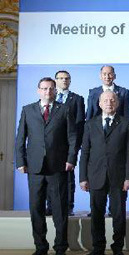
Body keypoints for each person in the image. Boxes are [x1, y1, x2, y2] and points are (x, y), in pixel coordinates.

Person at [15, 77, 77, 255]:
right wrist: (20, 161)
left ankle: (60, 246)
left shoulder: (64, 110)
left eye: (51, 89)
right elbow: (20, 138)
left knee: (59, 208)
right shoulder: (28, 110)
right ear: (38, 90)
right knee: (36, 208)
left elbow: (72, 138)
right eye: (44, 88)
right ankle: (40, 246)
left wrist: (71, 159)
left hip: (58, 166)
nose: (47, 92)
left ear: (55, 90)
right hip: (34, 167)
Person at [79, 90, 129, 255]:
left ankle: (118, 247)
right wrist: (82, 177)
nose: (109, 103)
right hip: (95, 176)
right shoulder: (90, 124)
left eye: (112, 100)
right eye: (106, 100)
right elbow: (85, 153)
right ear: (99, 103)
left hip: (118, 177)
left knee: (118, 214)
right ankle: (98, 247)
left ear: (117, 103)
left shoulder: (126, 124)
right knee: (96, 214)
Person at [45, 71, 85, 217]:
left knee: (68, 176)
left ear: (70, 81)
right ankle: (51, 206)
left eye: (67, 78)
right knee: (50, 175)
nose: (64, 81)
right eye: (61, 78)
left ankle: (68, 206)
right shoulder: (49, 98)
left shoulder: (77, 99)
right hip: (52, 144)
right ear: (56, 81)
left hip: (69, 144)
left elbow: (80, 123)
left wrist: (76, 145)